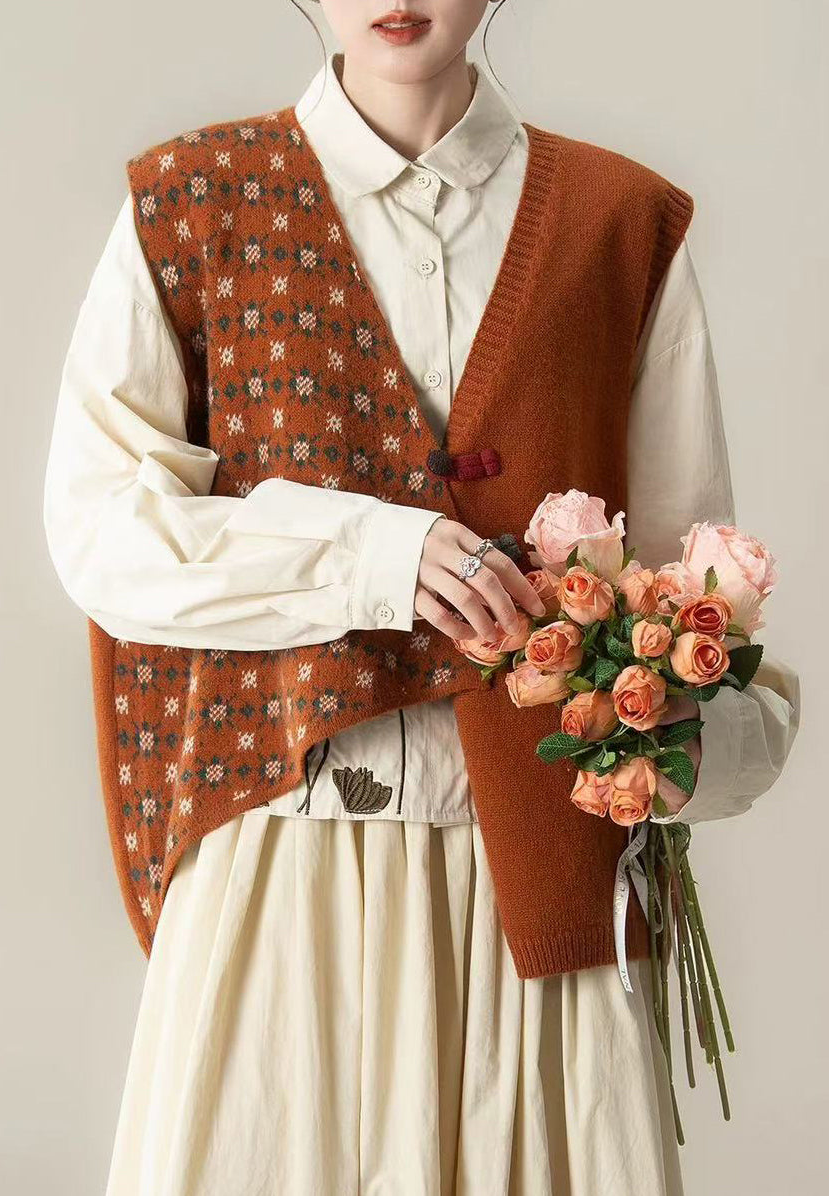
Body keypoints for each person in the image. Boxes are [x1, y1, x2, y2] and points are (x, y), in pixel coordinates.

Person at [43, 3, 800, 1193]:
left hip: (537, 906)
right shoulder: (191, 205)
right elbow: (101, 533)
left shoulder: (616, 221)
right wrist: (373, 553)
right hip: (280, 884)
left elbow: (690, 585)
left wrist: (675, 729)